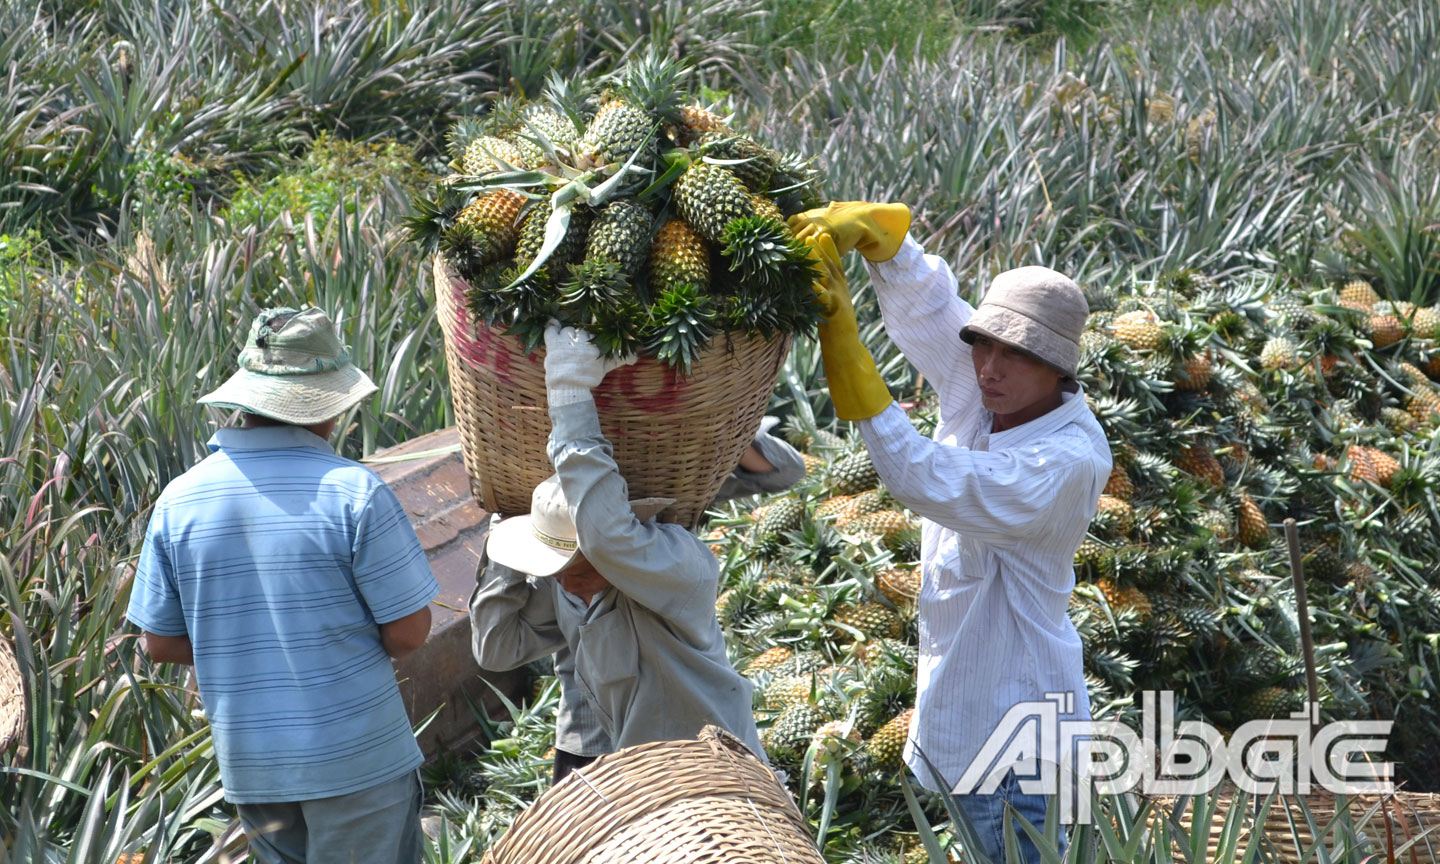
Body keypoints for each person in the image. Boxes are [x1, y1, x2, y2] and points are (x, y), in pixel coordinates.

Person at [788, 205, 1111, 863]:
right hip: (966, 724)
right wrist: (886, 244)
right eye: (984, 344)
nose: (989, 366)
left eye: (1015, 354)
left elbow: (924, 475)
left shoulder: (1066, 461)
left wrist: (847, 352)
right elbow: (936, 314)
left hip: (1016, 748)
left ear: (1058, 369)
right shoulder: (995, 394)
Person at [127, 307, 438, 864]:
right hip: (356, 760)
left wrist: (247, 650)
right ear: (329, 406)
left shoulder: (179, 500)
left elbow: (159, 643)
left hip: (253, 767)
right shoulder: (354, 493)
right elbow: (411, 632)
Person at [469, 323, 766, 784]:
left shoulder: (676, 569)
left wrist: (569, 391)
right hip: (642, 783)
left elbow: (606, 535)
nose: (561, 578)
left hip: (717, 774)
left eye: (569, 563)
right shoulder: (569, 592)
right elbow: (495, 648)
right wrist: (508, 545)